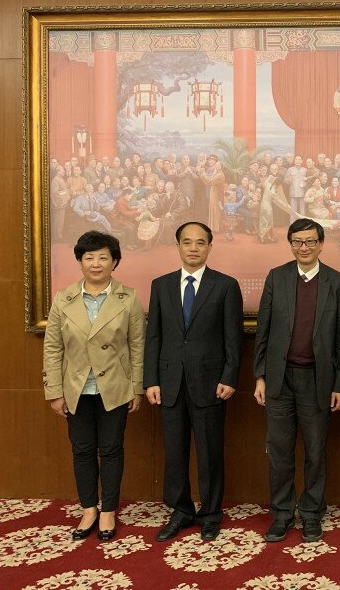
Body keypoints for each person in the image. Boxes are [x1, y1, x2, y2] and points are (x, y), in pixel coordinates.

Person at [143, 221, 244, 542]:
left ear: (210, 247)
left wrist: (229, 377)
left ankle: (211, 513)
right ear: (178, 246)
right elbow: (154, 336)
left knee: (210, 452)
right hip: (169, 383)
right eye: (187, 242)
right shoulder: (161, 285)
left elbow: (233, 338)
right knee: (174, 454)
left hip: (210, 383)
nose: (193, 248)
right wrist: (151, 380)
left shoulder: (226, 286)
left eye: (200, 243)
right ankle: (181, 511)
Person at [42, 231, 145, 542]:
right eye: (89, 257)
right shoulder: (64, 298)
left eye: (103, 257)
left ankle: (109, 509)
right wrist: (54, 391)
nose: (96, 263)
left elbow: (137, 346)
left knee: (112, 450)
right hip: (75, 389)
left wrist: (137, 388)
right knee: (82, 450)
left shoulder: (129, 298)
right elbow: (52, 348)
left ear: (114, 262)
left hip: (114, 387)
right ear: (79, 261)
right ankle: (88, 508)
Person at [254, 219, 340, 543]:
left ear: (322, 244)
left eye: (310, 241)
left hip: (317, 380)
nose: (304, 247)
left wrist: (338, 383)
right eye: (297, 242)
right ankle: (282, 514)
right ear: (291, 244)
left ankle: (311, 514)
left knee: (315, 452)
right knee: (279, 451)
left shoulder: (337, 283)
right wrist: (260, 376)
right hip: (280, 380)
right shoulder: (276, 277)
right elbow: (263, 332)